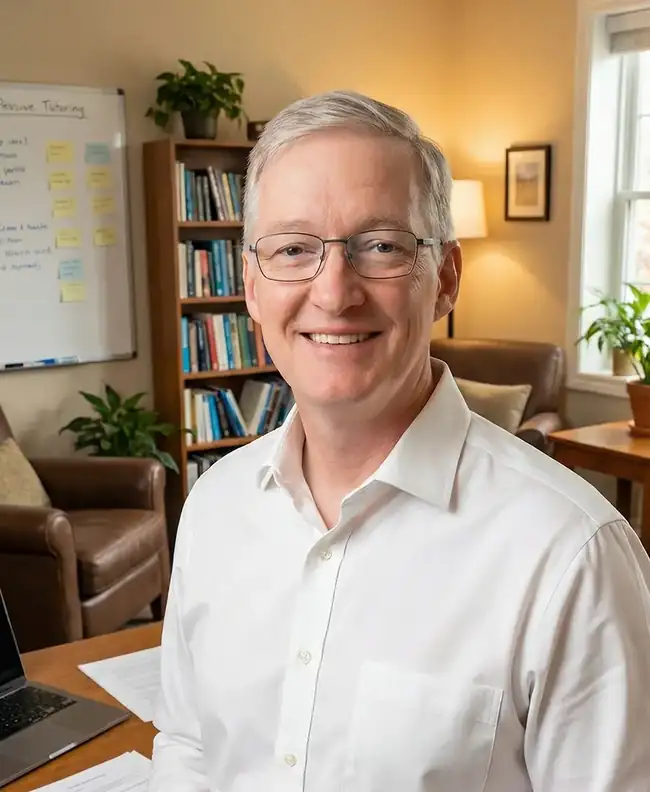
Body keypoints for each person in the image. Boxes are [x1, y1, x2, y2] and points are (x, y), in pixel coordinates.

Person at [149, 90, 650, 792]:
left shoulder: (569, 554)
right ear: (252, 290)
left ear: (444, 278)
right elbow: (190, 743)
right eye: (294, 249)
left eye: (379, 246)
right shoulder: (216, 505)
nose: (333, 291)